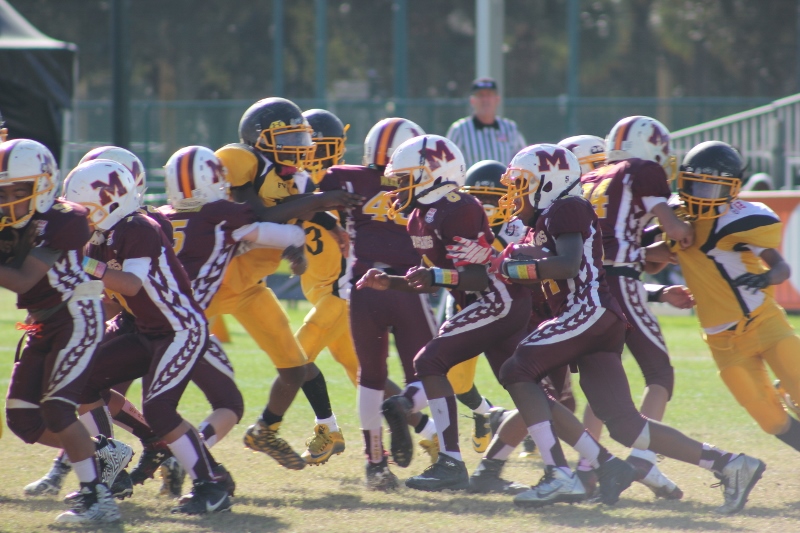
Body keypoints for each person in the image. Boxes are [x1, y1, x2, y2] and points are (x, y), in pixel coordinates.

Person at [449, 142, 766, 514]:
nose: (515, 194)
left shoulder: (566, 207)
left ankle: (558, 473)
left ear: (548, 182)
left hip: (586, 312)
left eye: (522, 184)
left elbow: (567, 264)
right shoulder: (547, 220)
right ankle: (730, 465)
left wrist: (514, 266)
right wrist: (495, 259)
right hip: (596, 319)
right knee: (625, 424)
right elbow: (534, 260)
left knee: (516, 370)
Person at [358, 134, 534, 492]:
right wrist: (390, 283)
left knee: (432, 361)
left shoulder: (459, 208)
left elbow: (477, 275)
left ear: (433, 175)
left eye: (405, 178)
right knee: (527, 389)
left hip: (500, 299)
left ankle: (451, 461)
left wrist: (435, 276)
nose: (397, 188)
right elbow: (431, 280)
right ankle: (588, 461)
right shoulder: (418, 218)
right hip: (481, 302)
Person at [63, 159, 232, 515]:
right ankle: (108, 469)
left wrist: (83, 265)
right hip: (145, 329)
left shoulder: (138, 226)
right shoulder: (100, 240)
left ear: (107, 201)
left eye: (84, 208)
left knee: (159, 409)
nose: (80, 218)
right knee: (82, 382)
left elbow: (131, 283)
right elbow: (109, 297)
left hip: (180, 329)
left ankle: (212, 484)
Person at [213, 97, 363, 470]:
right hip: (211, 282)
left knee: (295, 366)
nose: (298, 146)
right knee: (168, 360)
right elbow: (259, 215)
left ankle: (265, 430)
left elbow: (294, 212)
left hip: (251, 288)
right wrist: (324, 202)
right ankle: (161, 446)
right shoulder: (241, 160)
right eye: (288, 138)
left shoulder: (295, 178)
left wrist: (326, 225)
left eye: (300, 137)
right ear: (259, 138)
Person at [0, 139, 130, 524]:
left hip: (76, 314)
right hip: (41, 321)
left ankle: (97, 500)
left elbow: (23, 279)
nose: (10, 200)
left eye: (19, 191)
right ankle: (103, 451)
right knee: (23, 417)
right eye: (3, 192)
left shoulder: (65, 219)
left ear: (43, 185)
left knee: (57, 409)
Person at [651, 140, 800, 458]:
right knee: (771, 420)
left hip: (763, 322)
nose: (702, 196)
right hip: (722, 341)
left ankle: (788, 389)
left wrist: (765, 278)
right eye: (696, 186)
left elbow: (782, 267)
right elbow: (658, 257)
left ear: (732, 189)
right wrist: (629, 255)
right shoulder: (675, 215)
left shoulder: (740, 219)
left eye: (712, 189)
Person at [319, 117, 442, 489]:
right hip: (407, 285)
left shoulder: (347, 178)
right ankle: (404, 405)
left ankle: (375, 464)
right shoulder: (422, 183)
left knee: (370, 378)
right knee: (432, 372)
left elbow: (308, 204)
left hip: (363, 288)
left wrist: (332, 222)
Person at [574, 121, 693, 500]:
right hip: (620, 284)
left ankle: (587, 469)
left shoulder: (592, 177)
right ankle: (642, 459)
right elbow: (674, 229)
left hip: (588, 286)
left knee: (602, 380)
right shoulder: (642, 171)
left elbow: (611, 239)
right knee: (659, 373)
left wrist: (646, 253)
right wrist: (684, 233)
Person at [446, 77, 526, 168]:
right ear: (472, 100)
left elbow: (523, 160)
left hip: (503, 177)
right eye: (480, 95)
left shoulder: (510, 128)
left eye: (489, 95)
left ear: (497, 99)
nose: (485, 99)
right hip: (471, 177)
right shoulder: (459, 130)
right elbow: (448, 164)